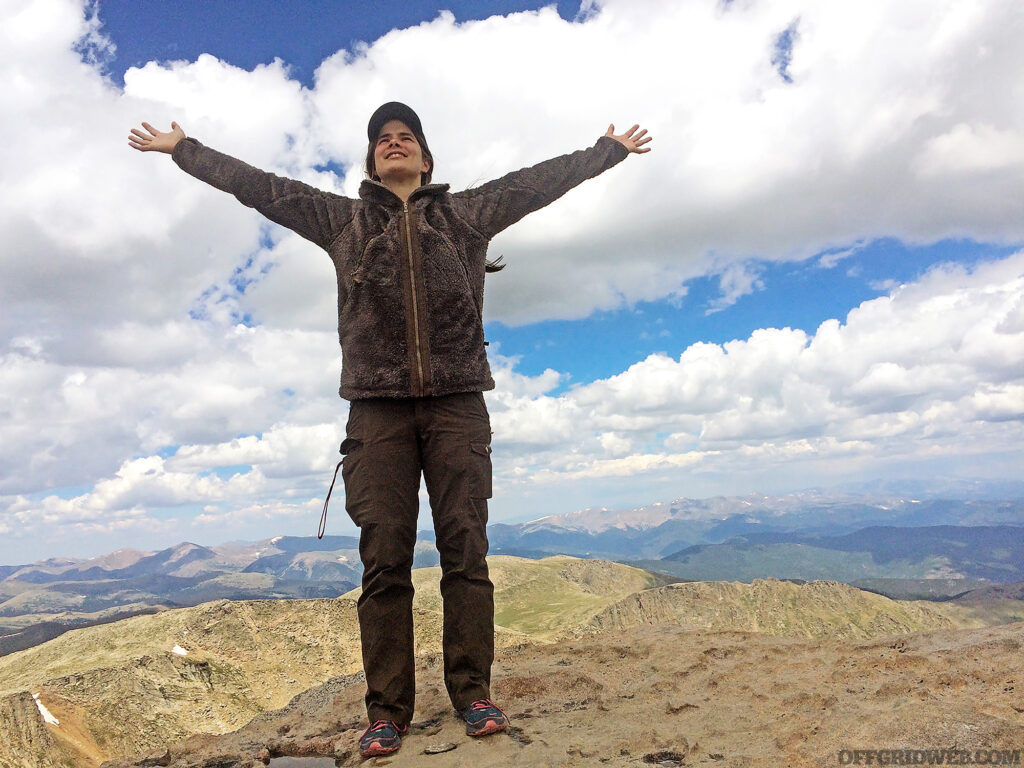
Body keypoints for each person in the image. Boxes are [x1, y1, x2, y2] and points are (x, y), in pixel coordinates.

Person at [129, 102, 650, 758]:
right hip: (377, 410)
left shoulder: (465, 214)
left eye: (406, 138)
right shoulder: (341, 219)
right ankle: (388, 713)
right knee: (385, 562)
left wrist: (607, 150)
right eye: (383, 140)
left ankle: (472, 694)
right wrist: (184, 149)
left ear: (426, 159)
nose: (394, 144)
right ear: (373, 160)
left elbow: (536, 182)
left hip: (458, 403)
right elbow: (260, 186)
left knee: (466, 553)